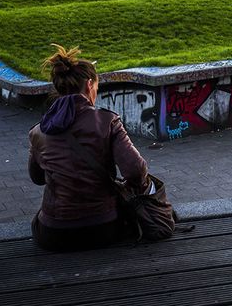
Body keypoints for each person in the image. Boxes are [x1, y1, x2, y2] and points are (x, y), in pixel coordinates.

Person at [27, 44, 151, 252]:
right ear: (90, 84)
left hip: (53, 233)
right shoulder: (108, 121)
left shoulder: (38, 132)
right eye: (96, 87)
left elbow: (37, 178)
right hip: (103, 228)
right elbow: (136, 170)